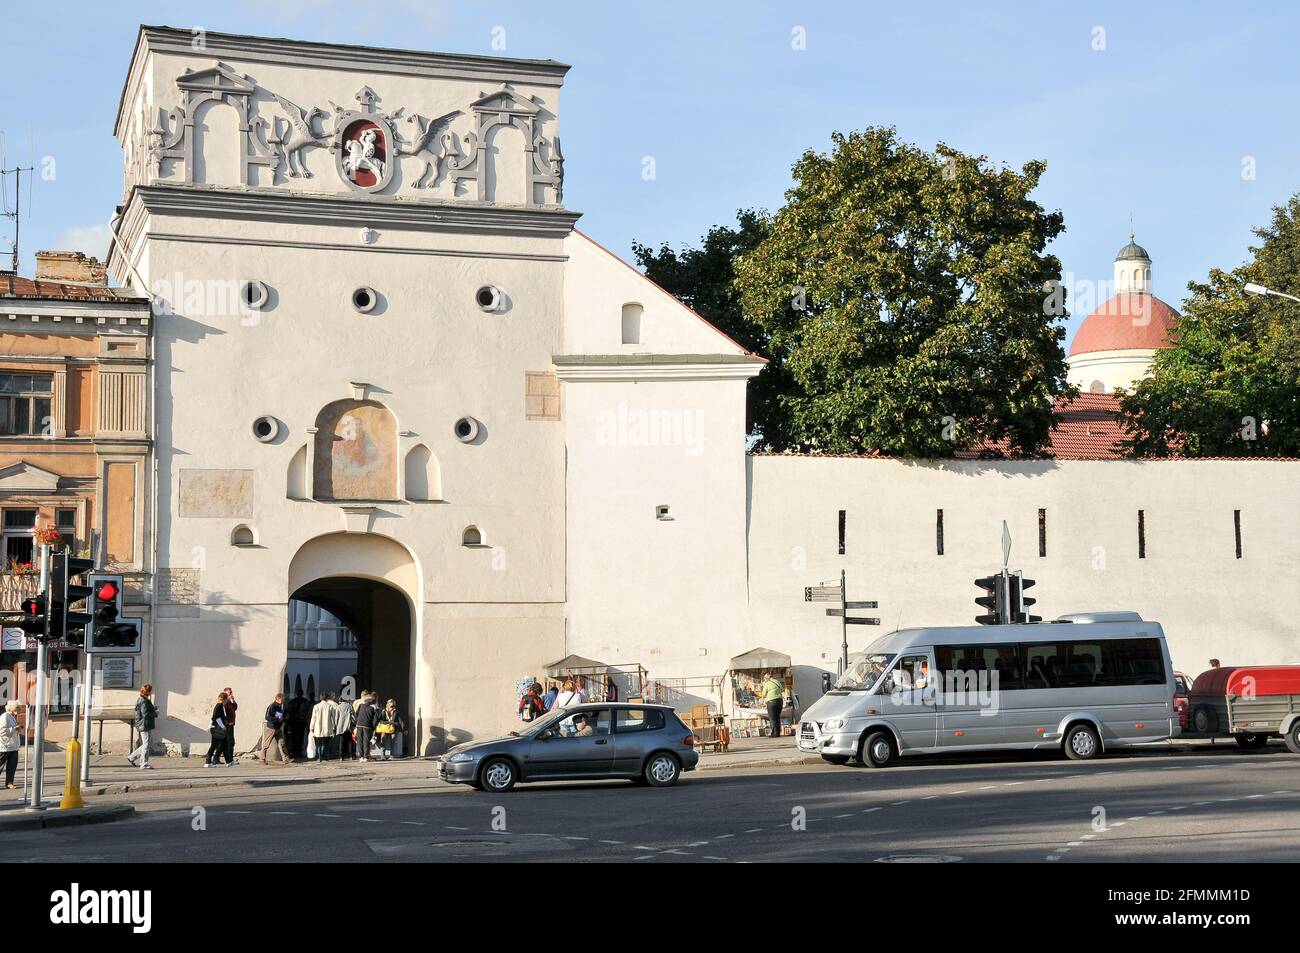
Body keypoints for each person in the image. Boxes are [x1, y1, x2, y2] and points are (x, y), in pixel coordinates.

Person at [127, 684, 157, 769]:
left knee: (146, 744)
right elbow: (145, 714)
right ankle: (143, 763)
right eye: (150, 691)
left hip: (143, 724)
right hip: (144, 724)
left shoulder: (141, 699)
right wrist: (155, 713)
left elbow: (145, 711)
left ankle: (132, 757)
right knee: (146, 744)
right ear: (147, 692)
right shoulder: (144, 701)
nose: (151, 692)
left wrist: (153, 709)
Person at [261, 692, 291, 765]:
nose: (283, 701)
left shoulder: (279, 706)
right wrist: (277, 719)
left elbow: (280, 716)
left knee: (282, 743)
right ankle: (262, 759)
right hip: (271, 728)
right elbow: (267, 717)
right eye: (282, 699)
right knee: (266, 744)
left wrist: (284, 717)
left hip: (278, 728)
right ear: (278, 699)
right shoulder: (272, 706)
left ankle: (285, 759)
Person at [205, 691, 231, 767]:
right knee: (216, 746)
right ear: (224, 699)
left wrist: (210, 726)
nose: (226, 701)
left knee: (217, 745)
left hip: (216, 727)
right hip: (217, 728)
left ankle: (209, 762)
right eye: (226, 700)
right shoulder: (219, 706)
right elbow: (216, 718)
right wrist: (223, 727)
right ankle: (208, 762)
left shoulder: (220, 706)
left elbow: (214, 717)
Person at [309, 692, 334, 763]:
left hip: (318, 727)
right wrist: (333, 727)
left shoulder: (316, 706)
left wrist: (311, 727)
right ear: (326, 698)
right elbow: (333, 717)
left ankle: (319, 757)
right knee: (325, 743)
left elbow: (313, 718)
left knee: (318, 743)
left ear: (321, 698)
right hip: (327, 727)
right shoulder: (330, 706)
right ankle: (324, 756)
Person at [1, 700, 20, 789]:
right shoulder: (4, 717)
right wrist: (15, 728)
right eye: (16, 709)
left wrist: (17, 728)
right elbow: (2, 731)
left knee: (12, 766)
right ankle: (9, 782)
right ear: (11, 709)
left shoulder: (11, 717)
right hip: (5, 746)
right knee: (0, 765)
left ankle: (9, 782)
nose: (18, 711)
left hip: (13, 746)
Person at [354, 693, 378, 763]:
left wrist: (357, 723)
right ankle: (366, 757)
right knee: (366, 742)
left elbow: (356, 714)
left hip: (359, 725)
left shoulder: (361, 705)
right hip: (367, 726)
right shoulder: (373, 708)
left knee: (360, 741)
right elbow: (375, 719)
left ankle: (361, 757)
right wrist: (373, 727)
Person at [761, 672, 785, 738]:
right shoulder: (777, 682)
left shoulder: (767, 684)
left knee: (772, 718)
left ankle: (774, 734)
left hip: (771, 702)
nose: (764, 679)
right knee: (777, 717)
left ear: (767, 678)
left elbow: (763, 694)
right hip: (779, 701)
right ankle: (777, 733)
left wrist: (763, 686)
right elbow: (782, 690)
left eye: (765, 678)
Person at [334, 689, 356, 760]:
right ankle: (351, 756)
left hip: (341, 726)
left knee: (341, 741)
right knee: (350, 741)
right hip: (349, 726)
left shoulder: (338, 707)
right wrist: (354, 723)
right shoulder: (350, 706)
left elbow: (336, 717)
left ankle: (341, 756)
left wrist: (335, 726)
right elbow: (353, 716)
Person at [221, 686, 239, 765]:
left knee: (225, 742)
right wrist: (227, 722)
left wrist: (233, 700)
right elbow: (223, 714)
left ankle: (215, 759)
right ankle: (230, 760)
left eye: (231, 692)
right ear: (225, 693)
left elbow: (235, 707)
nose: (231, 694)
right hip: (228, 724)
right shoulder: (225, 703)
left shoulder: (229, 701)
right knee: (230, 742)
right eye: (230, 692)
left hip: (231, 724)